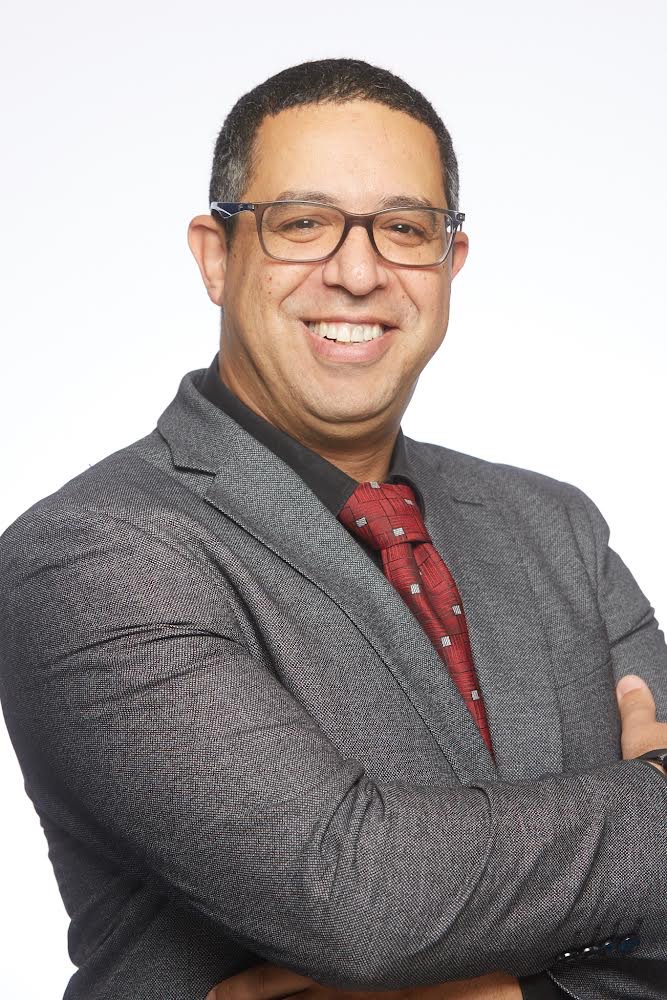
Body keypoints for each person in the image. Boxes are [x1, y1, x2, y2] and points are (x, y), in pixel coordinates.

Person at [0, 58, 666, 1000]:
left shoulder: (556, 528)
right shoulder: (92, 553)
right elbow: (358, 896)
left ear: (448, 264)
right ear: (216, 255)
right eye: (302, 223)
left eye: (404, 229)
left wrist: (524, 996)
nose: (357, 273)